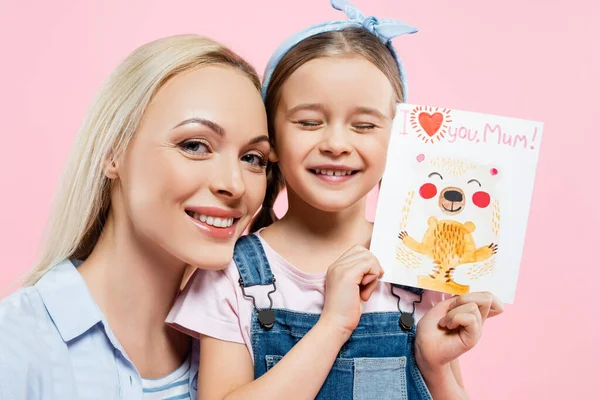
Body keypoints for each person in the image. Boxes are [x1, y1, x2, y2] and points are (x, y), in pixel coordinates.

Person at [168, 1, 503, 399]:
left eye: (364, 125)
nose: (337, 144)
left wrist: (435, 366)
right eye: (309, 122)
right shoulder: (231, 276)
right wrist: (333, 325)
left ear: (398, 139)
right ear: (270, 137)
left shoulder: (418, 264)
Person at [0, 34, 270, 399]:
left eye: (253, 158)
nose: (235, 185)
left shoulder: (244, 351)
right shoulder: (16, 344)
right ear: (114, 152)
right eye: (195, 145)